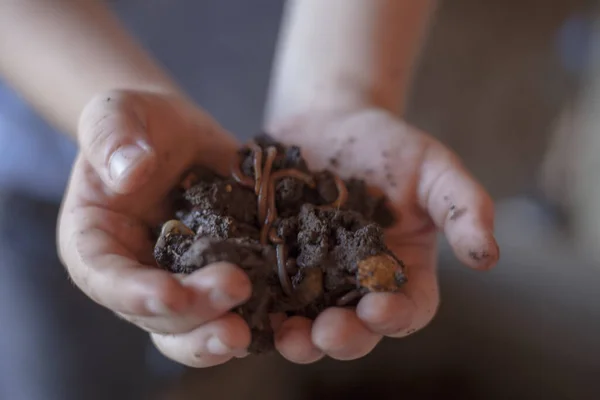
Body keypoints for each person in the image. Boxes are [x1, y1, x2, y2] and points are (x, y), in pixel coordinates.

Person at [0, 0, 499, 398]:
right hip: (49, 161)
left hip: (283, 75)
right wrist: (116, 106)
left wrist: (342, 92)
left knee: (234, 345)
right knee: (62, 372)